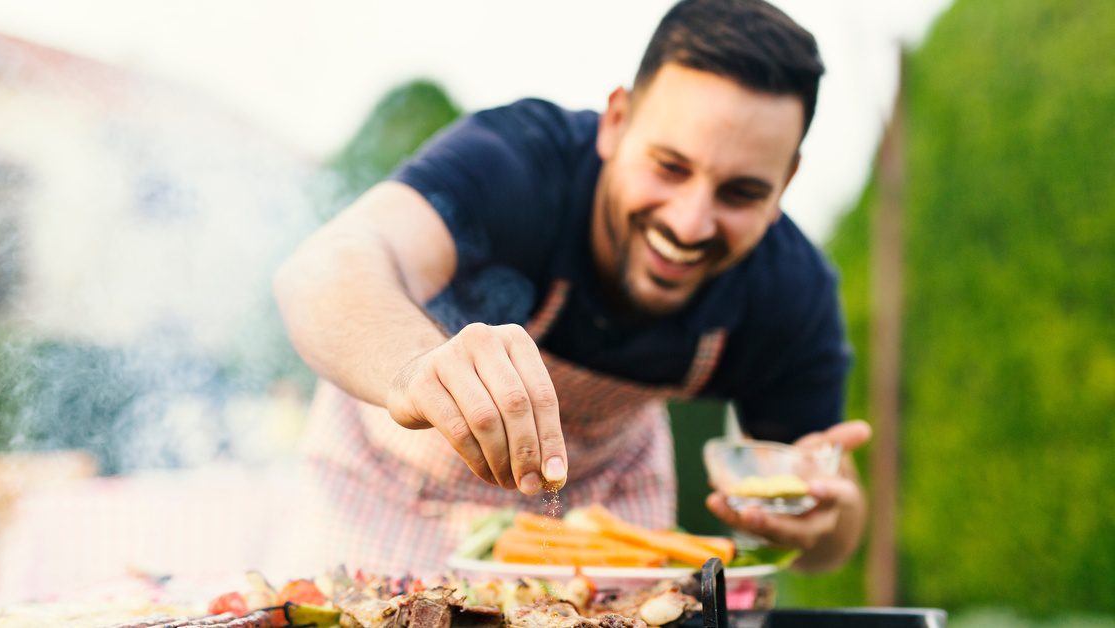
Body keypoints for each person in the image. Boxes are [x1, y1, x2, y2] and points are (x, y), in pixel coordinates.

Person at [274, 0, 870, 576]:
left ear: (786, 181)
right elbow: (324, 268)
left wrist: (823, 522)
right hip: (388, 490)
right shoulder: (517, 164)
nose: (690, 224)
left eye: (740, 193)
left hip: (601, 510)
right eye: (669, 166)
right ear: (615, 122)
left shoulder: (790, 291)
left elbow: (830, 543)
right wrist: (414, 369)